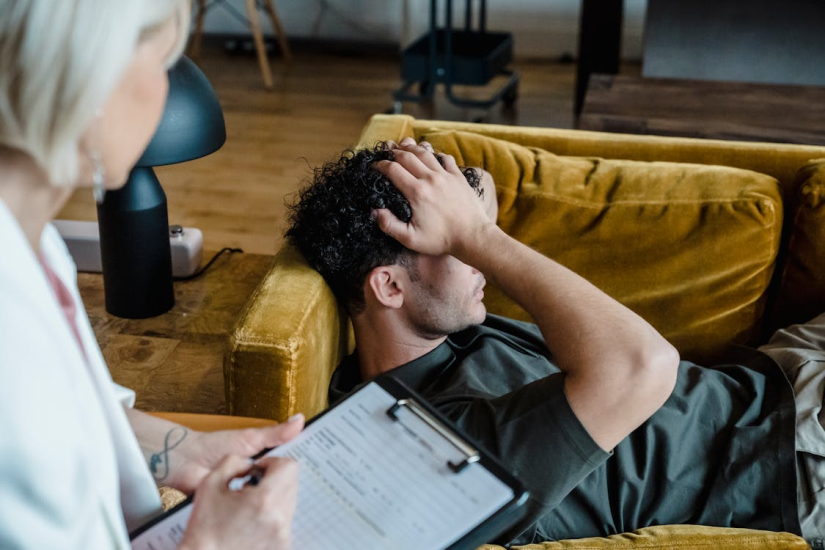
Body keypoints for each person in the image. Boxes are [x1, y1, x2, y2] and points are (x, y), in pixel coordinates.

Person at [286, 139, 825, 545]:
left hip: (775, 371)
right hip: (790, 451)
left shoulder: (440, 333)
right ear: (389, 286)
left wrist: (463, 213)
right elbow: (644, 364)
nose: (485, 267)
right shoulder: (439, 442)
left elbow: (480, 203)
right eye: (455, 245)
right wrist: (477, 237)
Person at [0, 2, 302, 548]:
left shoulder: (31, 234)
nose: (167, 93)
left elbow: (58, 422)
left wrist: (180, 447)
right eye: (164, 61)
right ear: (91, 76)